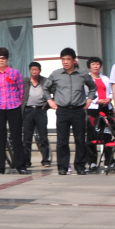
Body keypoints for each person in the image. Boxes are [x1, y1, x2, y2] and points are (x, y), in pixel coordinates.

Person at [44, 47, 97, 175]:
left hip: (78, 110)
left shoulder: (83, 74)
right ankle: (63, 166)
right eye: (63, 59)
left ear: (74, 60)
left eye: (68, 59)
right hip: (62, 111)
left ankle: (80, 166)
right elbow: (45, 88)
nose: (65, 62)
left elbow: (93, 87)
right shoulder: (56, 74)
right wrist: (50, 101)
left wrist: (89, 100)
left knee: (79, 139)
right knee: (62, 140)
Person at [0, 47, 26, 175]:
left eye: (3, 58)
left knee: (16, 137)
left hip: (13, 106)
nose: (1, 60)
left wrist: (16, 100)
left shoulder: (15, 73)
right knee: (0, 137)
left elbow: (21, 90)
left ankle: (21, 165)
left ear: (7, 59)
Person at [85, 57, 113, 173]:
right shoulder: (86, 79)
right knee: (92, 136)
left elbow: (111, 92)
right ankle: (92, 161)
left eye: (97, 64)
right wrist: (96, 101)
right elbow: (84, 95)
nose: (95, 66)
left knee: (107, 135)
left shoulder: (105, 78)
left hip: (106, 108)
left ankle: (109, 161)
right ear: (89, 66)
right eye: (93, 64)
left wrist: (109, 99)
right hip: (93, 109)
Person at [21, 62, 51, 168]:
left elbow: (55, 92)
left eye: (36, 69)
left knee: (43, 136)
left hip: (40, 110)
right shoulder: (25, 81)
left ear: (40, 70)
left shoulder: (45, 81)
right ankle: (26, 161)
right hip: (28, 111)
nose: (35, 72)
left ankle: (46, 159)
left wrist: (46, 106)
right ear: (30, 70)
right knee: (27, 137)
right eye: (33, 69)